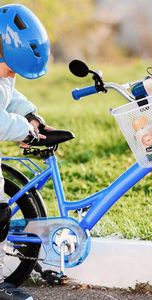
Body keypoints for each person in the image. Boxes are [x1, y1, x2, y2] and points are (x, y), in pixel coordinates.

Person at [0, 4, 52, 299]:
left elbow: (8, 94)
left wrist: (29, 114)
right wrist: (24, 130)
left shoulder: (3, 71)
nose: (11, 75)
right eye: (11, 68)